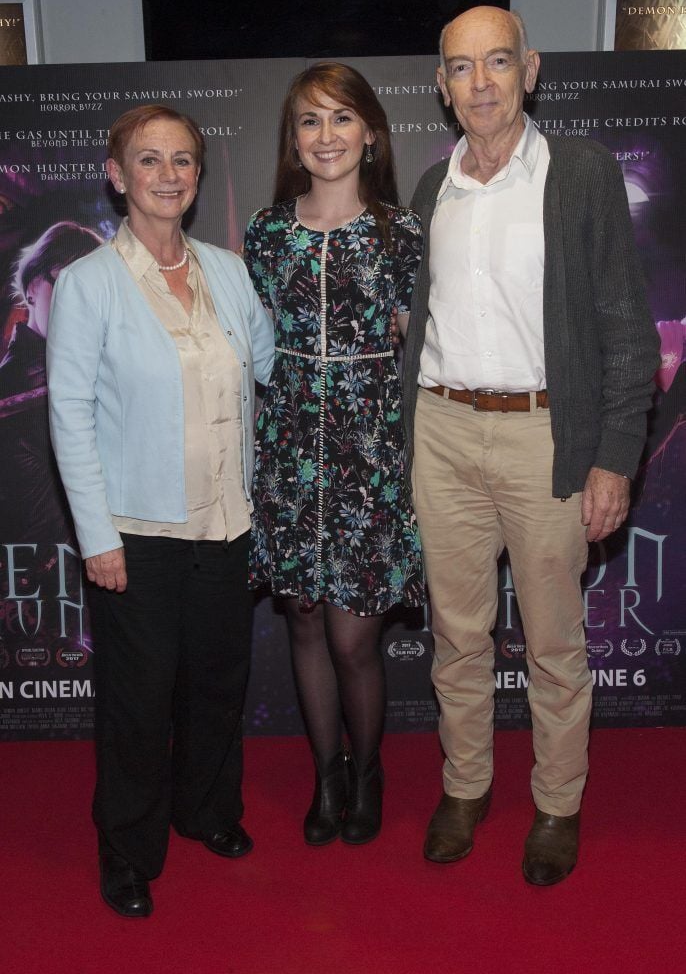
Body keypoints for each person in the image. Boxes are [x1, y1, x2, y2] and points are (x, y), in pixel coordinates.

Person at [402, 7, 660, 885]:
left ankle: (557, 803)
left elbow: (627, 329)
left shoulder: (581, 173)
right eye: (462, 68)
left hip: (547, 434)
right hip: (440, 431)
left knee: (554, 641)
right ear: (442, 87)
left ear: (530, 70)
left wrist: (614, 456)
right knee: (458, 635)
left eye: (498, 62)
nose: (481, 83)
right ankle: (466, 786)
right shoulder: (433, 190)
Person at [46, 105, 274, 917]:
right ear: (117, 175)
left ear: (197, 174)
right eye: (149, 160)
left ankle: (207, 811)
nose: (168, 175)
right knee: (138, 701)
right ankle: (128, 849)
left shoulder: (229, 270)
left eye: (182, 160)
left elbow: (268, 367)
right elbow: (68, 414)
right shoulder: (86, 285)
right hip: (137, 534)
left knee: (217, 684)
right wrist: (97, 536)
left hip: (226, 523)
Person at [244, 62, 424, 847]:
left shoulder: (402, 234)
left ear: (371, 133)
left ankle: (371, 764)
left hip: (369, 459)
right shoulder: (266, 232)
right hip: (289, 455)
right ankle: (327, 776)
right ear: (294, 139)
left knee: (355, 636)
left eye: (341, 119)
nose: (326, 136)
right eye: (310, 121)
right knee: (307, 622)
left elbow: (424, 347)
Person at [1, 222, 102, 548]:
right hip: (39, 575)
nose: (75, 303)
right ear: (32, 287)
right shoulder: (17, 384)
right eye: (63, 284)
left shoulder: (96, 371)